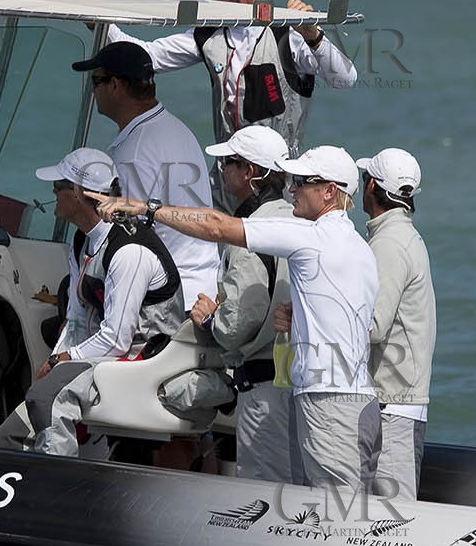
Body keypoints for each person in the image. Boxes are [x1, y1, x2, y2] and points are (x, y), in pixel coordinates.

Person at [92, 145, 380, 491]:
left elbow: (217, 227)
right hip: (361, 398)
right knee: (349, 505)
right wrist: (302, 318)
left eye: (302, 182)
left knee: (336, 514)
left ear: (330, 191)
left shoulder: (315, 237)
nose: (292, 188)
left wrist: (144, 208)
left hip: (329, 401)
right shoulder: (361, 247)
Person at [104, 0, 357, 159]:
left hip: (281, 182)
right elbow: (146, 57)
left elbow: (344, 79)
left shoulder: (288, 34)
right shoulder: (206, 34)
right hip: (227, 177)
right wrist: (101, 20)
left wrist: (313, 36)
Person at [25, 148, 184, 457]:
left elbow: (116, 339)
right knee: (23, 414)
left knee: (46, 398)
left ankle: (53, 488)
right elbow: (74, 318)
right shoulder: (82, 240)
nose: (53, 193)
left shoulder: (129, 249)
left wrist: (60, 362)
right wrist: (54, 360)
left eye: (58, 186)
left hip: (145, 360)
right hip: (110, 354)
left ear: (77, 193)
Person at [73, 41, 220, 306]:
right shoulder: (175, 128)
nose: (92, 90)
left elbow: (130, 237)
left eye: (96, 81)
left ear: (115, 86)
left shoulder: (133, 152)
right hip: (203, 286)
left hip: (168, 303)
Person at [188, 126, 296, 482]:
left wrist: (209, 318)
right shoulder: (298, 219)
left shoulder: (248, 231)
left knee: (265, 489)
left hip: (265, 386)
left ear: (249, 172)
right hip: (299, 380)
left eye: (227, 164)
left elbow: (237, 326)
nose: (221, 171)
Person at [358, 148, 436, 501]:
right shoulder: (404, 236)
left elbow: (373, 326)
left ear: (371, 185)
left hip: (392, 407)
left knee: (393, 525)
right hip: (403, 403)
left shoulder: (387, 243)